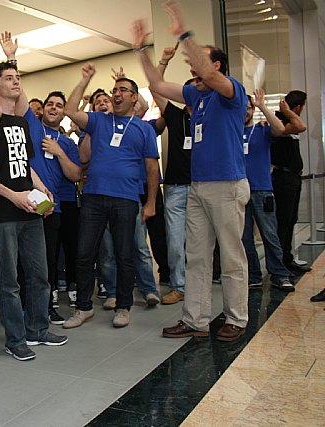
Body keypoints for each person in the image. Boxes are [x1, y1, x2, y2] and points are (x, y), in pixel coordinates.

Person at [134, 1, 250, 342]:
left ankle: (237, 319)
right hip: (198, 187)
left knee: (230, 258)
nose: (194, 74)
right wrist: (142, 49)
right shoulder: (195, 97)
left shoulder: (232, 93)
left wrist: (184, 34)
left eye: (200, 66)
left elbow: (211, 76)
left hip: (227, 186)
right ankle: (196, 319)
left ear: (215, 66)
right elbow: (157, 85)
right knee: (196, 257)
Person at [0, 31, 68, 361]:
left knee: (40, 275)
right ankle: (16, 339)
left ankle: (38, 329)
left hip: (29, 210)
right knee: (9, 281)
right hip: (2, 212)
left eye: (17, 77)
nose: (16, 82)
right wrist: (13, 196)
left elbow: (24, 163)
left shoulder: (22, 123)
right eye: (9, 78)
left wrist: (41, 187)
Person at [63, 63, 159, 329]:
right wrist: (84, 80)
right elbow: (70, 111)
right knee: (84, 253)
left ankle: (123, 306)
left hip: (126, 199)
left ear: (133, 97)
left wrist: (150, 203)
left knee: (124, 254)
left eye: (122, 90)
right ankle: (83, 307)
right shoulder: (99, 121)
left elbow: (152, 168)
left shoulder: (143, 129)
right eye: (114, 89)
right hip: (93, 197)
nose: (116, 94)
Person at [26, 91, 81, 325]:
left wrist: (59, 152)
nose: (54, 108)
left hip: (52, 209)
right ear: (43, 109)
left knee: (47, 260)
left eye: (59, 105)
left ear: (63, 112)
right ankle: (26, 307)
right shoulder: (32, 129)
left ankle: (46, 307)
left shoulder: (67, 144)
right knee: (25, 261)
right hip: (25, 203)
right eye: (50, 104)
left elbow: (76, 175)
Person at [149, 45, 195, 305]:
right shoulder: (175, 115)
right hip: (176, 187)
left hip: (202, 186)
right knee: (175, 243)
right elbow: (156, 88)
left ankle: (197, 284)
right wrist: (164, 61)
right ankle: (178, 286)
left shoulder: (208, 116)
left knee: (200, 243)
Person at [241, 89, 294, 291]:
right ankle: (253, 275)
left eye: (249, 108)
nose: (245, 112)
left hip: (262, 191)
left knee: (270, 235)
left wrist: (263, 106)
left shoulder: (262, 130)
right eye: (242, 108)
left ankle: (279, 274)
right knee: (244, 238)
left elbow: (280, 129)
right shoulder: (232, 133)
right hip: (239, 192)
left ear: (253, 109)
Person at [270, 90, 309, 273]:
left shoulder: (288, 119)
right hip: (283, 179)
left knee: (291, 219)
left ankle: (287, 258)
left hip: (293, 177)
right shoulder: (280, 122)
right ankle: (279, 263)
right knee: (283, 221)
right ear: (298, 107)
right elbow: (301, 126)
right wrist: (287, 112)